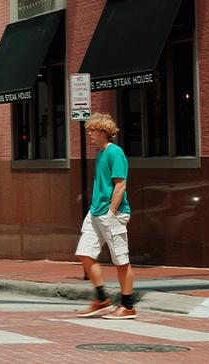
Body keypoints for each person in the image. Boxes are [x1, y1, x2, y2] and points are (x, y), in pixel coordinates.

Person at [74, 113, 137, 319]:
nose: (90, 134)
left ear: (103, 131)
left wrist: (111, 213)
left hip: (113, 213)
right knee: (85, 252)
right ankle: (102, 299)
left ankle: (128, 306)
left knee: (121, 260)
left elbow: (120, 185)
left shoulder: (114, 153)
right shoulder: (100, 154)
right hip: (95, 212)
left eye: (93, 130)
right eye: (89, 130)